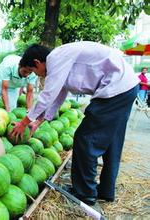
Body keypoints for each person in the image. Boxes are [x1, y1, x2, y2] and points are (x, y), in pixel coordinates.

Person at [11, 42, 139, 206]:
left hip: (115, 89)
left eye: (35, 71)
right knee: (112, 140)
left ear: (37, 62)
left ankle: (85, 193)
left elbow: (48, 94)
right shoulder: (61, 61)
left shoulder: (56, 58)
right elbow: (58, 96)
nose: (38, 75)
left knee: (85, 139)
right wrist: (38, 121)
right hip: (125, 87)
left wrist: (23, 122)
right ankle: (106, 191)